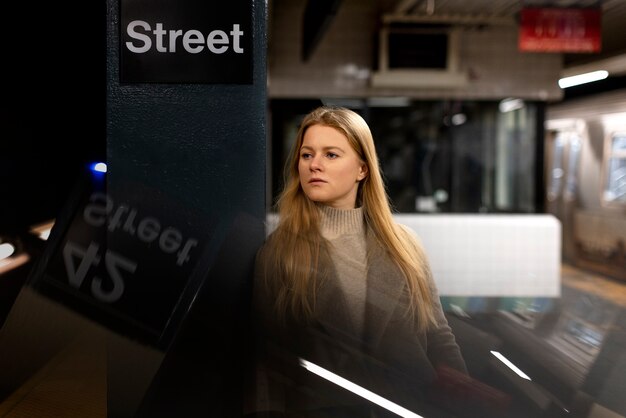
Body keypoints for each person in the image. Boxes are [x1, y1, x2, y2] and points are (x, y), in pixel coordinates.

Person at [245, 106, 467, 418]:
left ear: (362, 169)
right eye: (307, 155)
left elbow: (438, 337)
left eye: (331, 155)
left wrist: (465, 403)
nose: (314, 165)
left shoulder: (405, 245)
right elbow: (266, 362)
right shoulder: (279, 252)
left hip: (412, 407)